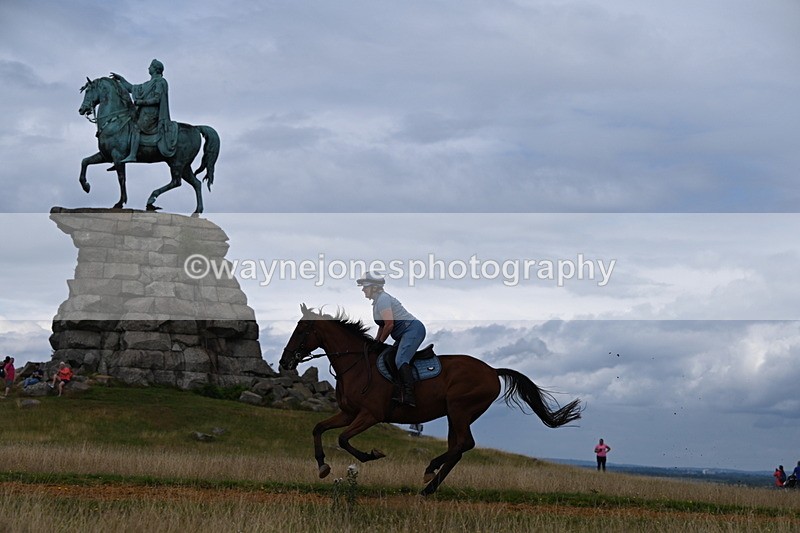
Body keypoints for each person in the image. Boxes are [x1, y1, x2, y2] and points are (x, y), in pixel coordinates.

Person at [357, 271, 426, 407]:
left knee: (400, 359)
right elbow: (382, 326)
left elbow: (389, 325)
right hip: (404, 333)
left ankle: (409, 395)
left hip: (413, 330)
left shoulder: (383, 299)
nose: (363, 289)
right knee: (388, 357)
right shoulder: (377, 303)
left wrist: (380, 342)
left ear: (374, 287)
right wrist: (375, 342)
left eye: (365, 286)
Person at [110, 59, 177, 163]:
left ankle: (132, 155)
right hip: (143, 113)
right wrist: (121, 80)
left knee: (135, 128)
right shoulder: (148, 84)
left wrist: (141, 102)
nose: (148, 68)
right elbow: (132, 88)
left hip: (151, 115)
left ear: (155, 69)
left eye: (150, 66)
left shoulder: (160, 82)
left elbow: (157, 99)